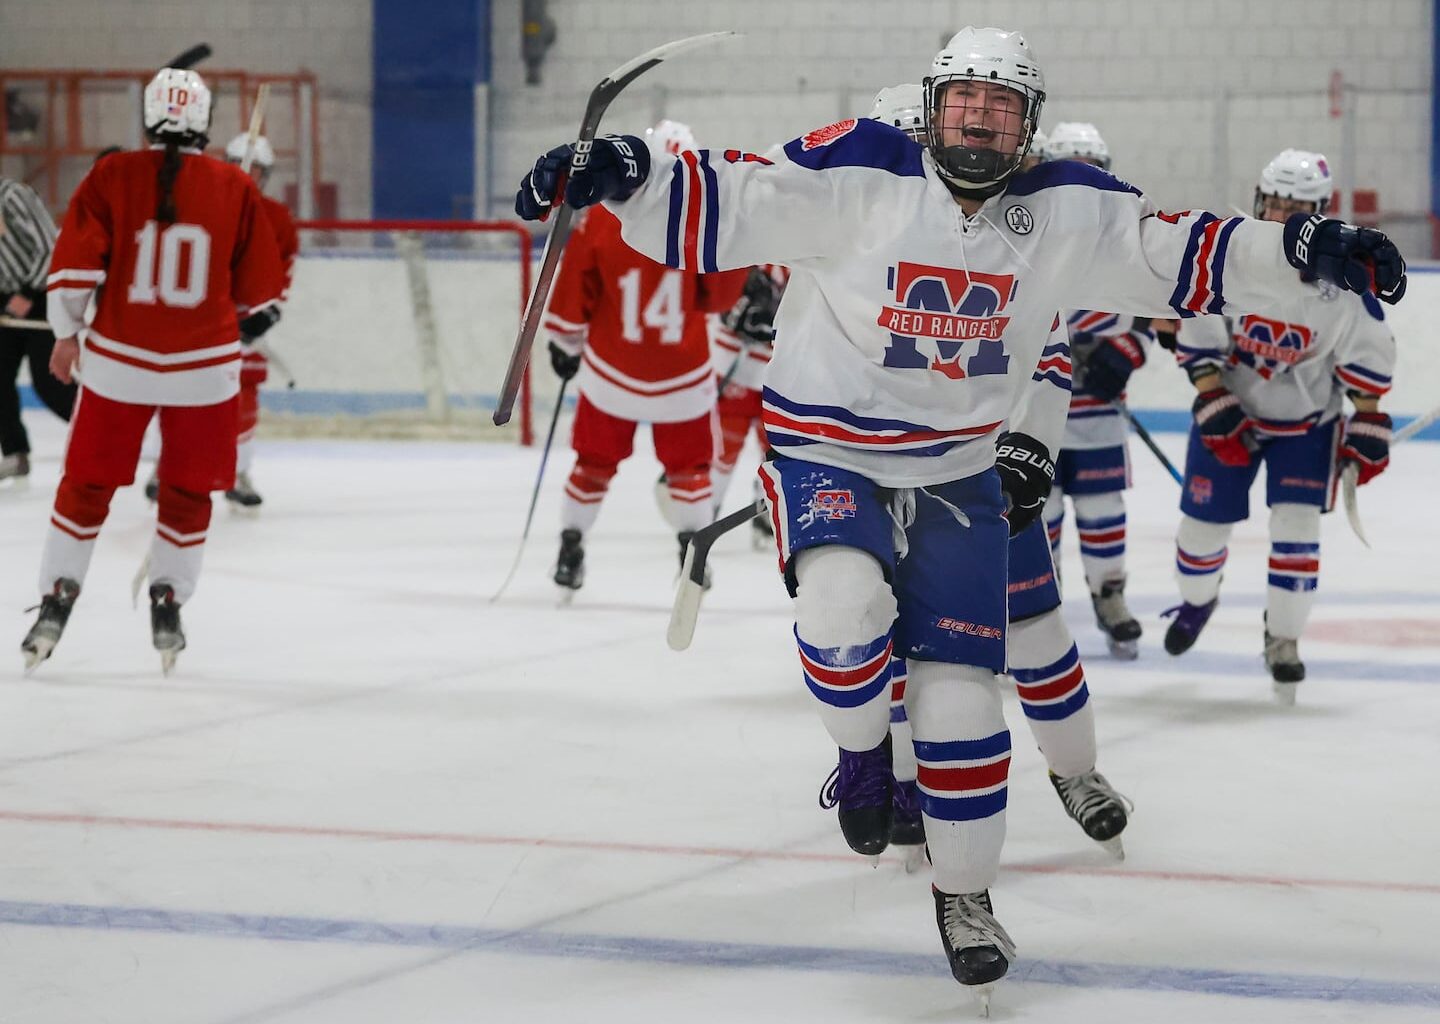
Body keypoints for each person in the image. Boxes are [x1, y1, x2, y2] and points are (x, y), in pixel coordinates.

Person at [514, 27, 1405, 1001]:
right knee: (844, 605)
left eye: (1000, 107)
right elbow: (728, 194)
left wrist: (1304, 244)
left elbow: (1183, 249)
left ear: (1028, 124)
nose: (975, 125)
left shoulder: (1063, 210)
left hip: (962, 471)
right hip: (834, 450)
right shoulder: (857, 170)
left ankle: (967, 891)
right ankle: (862, 761)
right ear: (931, 109)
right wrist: (621, 169)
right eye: (959, 103)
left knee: (967, 697)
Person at [851, 95, 1130, 864]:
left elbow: (1044, 354)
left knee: (1036, 629)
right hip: (877, 483)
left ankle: (1076, 770)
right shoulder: (847, 235)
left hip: (973, 481)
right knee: (893, 647)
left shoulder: (1007, 240)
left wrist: (1028, 453)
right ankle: (907, 783)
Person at [21, 68, 285, 674]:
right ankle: (168, 596)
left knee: (87, 485)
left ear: (146, 118)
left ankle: (58, 594)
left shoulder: (111, 175)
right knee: (189, 491)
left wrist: (65, 334)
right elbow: (259, 293)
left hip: (119, 363)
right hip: (206, 369)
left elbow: (74, 269)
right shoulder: (235, 185)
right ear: (205, 122)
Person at [1161, 149, 1396, 703]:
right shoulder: (1230, 256)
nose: (1282, 217)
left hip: (1306, 426)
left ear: (1321, 211)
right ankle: (1198, 600)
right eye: (1275, 203)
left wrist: (1367, 420)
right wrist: (1215, 401)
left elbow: (1364, 363)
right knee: (1199, 535)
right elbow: (1198, 346)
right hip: (1231, 420)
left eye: (1298, 207)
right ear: (1259, 198)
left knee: (1296, 533)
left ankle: (1283, 638)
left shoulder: (1342, 285)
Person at [541, 119, 746, 593]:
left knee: (592, 464)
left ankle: (571, 547)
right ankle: (691, 553)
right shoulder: (700, 225)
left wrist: (565, 344)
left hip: (612, 371)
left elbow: (576, 291)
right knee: (690, 470)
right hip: (683, 376)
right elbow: (716, 299)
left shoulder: (601, 221)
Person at [1039, 122, 1152, 657]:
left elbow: (1156, 313)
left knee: (1103, 508)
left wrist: (1124, 355)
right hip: (1036, 419)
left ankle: (1110, 597)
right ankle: (1041, 611)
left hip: (1097, 416)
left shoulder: (1128, 245)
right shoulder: (1021, 239)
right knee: (1039, 515)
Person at [220, 132, 297, 513]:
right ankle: (165, 468)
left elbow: (284, 269)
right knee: (181, 393)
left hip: (247, 321)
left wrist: (267, 312)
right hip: (204, 323)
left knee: (245, 393)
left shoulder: (277, 217)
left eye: (257, 170)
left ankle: (238, 472)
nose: (249, 175)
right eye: (240, 166)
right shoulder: (206, 205)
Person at [1, 175, 74, 486]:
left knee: (50, 382)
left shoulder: (11, 196)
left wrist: (29, 293)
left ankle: (103, 434)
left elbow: (49, 246)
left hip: (39, 295)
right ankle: (15, 453)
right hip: (7, 303)